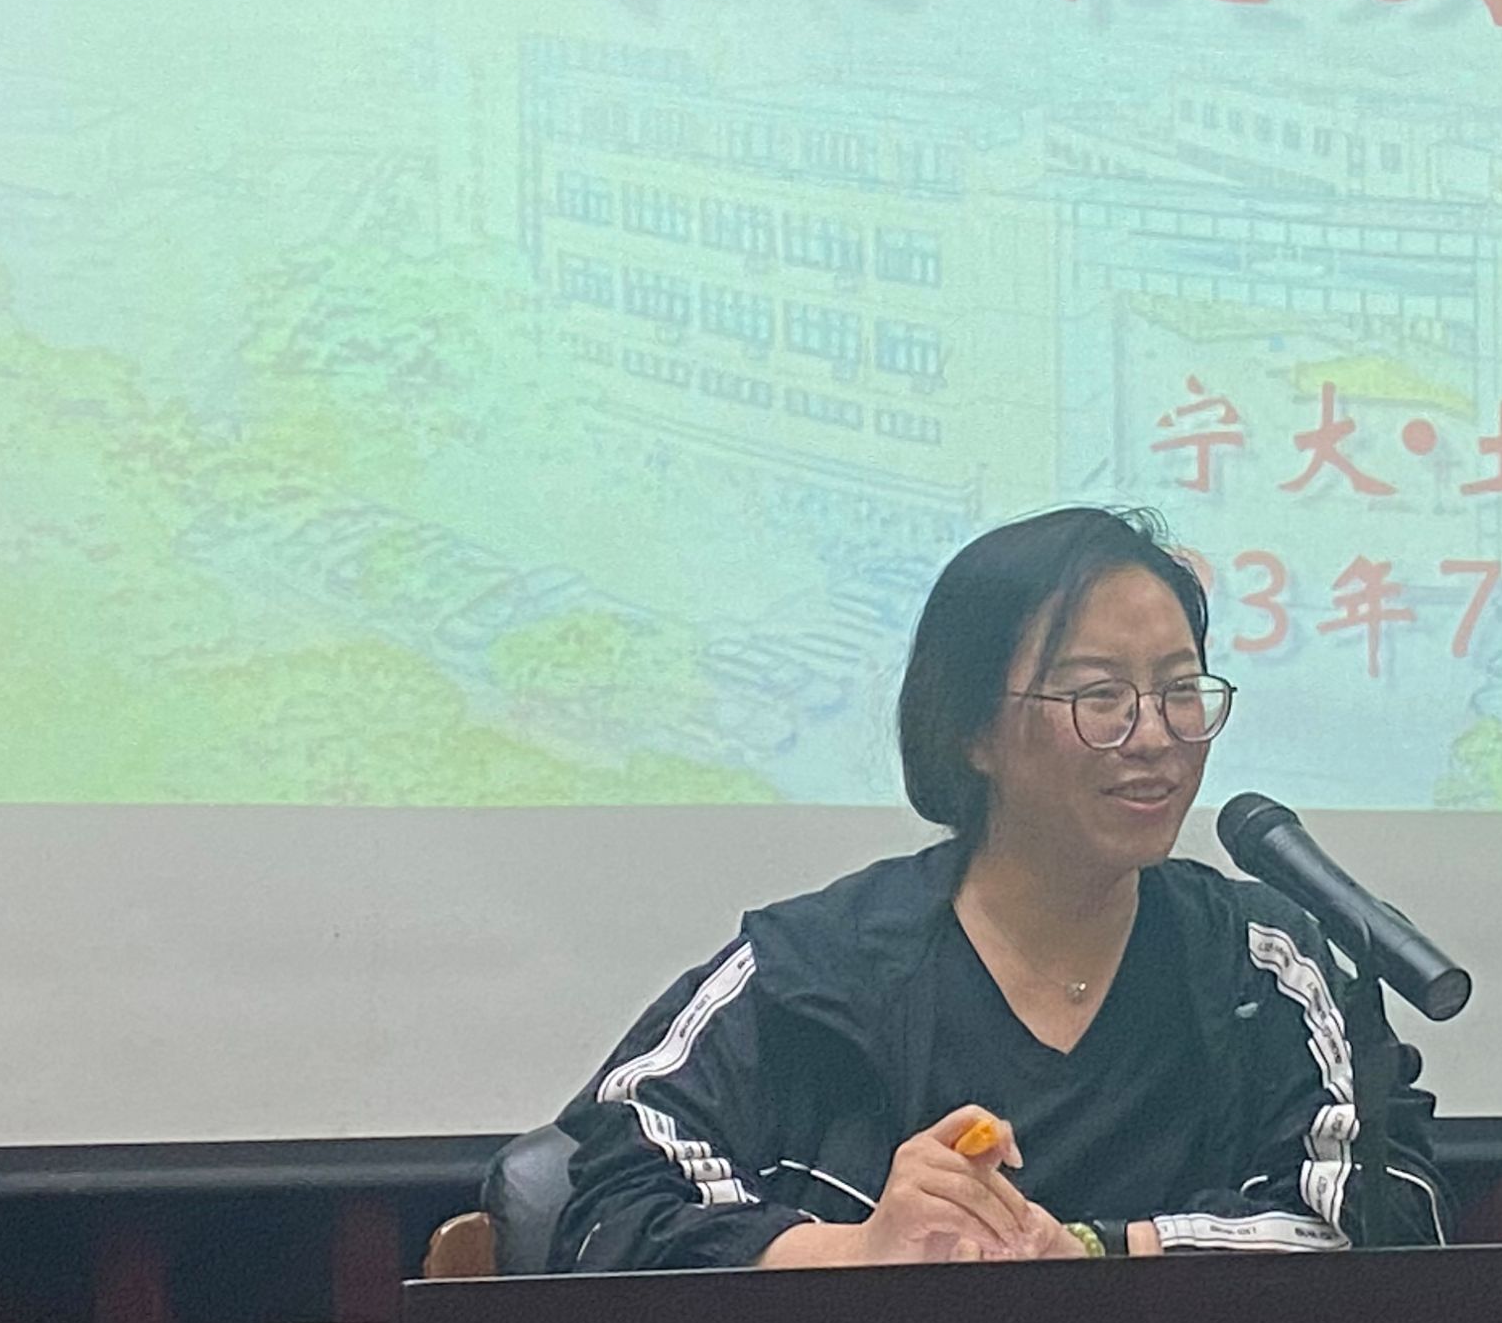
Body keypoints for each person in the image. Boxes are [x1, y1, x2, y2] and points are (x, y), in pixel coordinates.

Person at [516, 505, 1449, 1271]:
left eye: (1179, 691)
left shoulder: (1257, 961)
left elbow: (1386, 1213)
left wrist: (1095, 1250)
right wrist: (859, 1253)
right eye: (1099, 697)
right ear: (971, 730)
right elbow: (604, 1202)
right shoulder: (821, 967)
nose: (1156, 738)